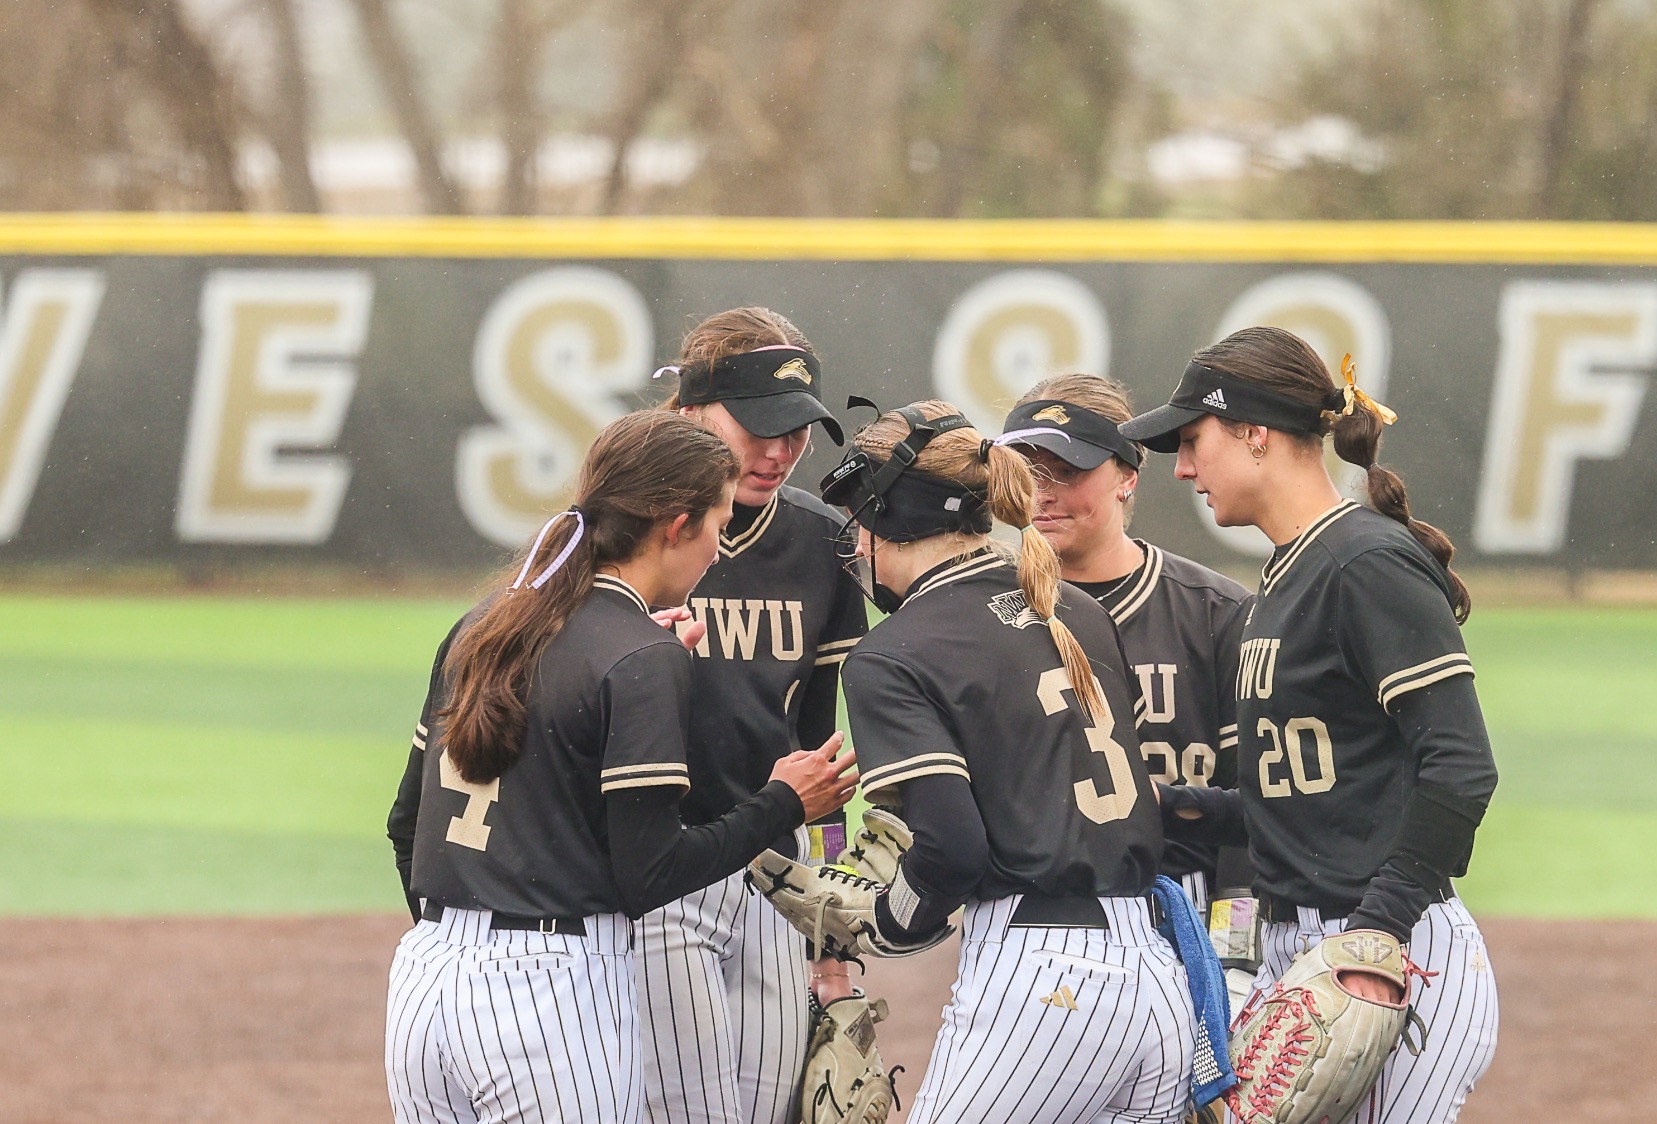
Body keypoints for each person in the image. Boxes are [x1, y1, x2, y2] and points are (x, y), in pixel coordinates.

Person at [384, 410, 857, 1123]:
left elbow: (405, 824)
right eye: (718, 525)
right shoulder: (638, 658)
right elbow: (651, 874)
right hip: (547, 997)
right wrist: (785, 803)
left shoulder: (488, 623)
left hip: (425, 982)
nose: (720, 550)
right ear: (675, 525)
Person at [1122, 328, 1500, 1123]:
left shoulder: (1364, 562)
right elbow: (1310, 795)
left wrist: (1375, 939)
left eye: (1193, 441)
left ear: (1255, 433)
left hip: (1390, 952)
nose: (1183, 467)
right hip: (1301, 947)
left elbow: (1461, 765)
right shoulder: (1284, 577)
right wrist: (1173, 803)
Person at [819, 399, 1198, 1123]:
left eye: (861, 516)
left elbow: (952, 849)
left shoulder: (895, 652)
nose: (855, 538)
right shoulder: (1074, 608)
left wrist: (888, 923)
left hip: (1046, 983)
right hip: (1156, 973)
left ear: (893, 518)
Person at [636, 308, 871, 1124]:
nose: (779, 451)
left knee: (772, 1109)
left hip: (773, 876)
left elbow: (823, 749)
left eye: (798, 431)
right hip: (658, 868)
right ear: (693, 407)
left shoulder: (825, 545)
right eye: (759, 426)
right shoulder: (627, 532)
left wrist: (830, 932)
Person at [994, 375, 1253, 919]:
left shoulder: (1215, 613)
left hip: (1185, 905)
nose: (1044, 492)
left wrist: (1235, 949)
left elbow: (1252, 805)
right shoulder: (980, 614)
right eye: (1027, 471)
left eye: (1068, 471)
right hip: (1028, 916)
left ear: (1127, 477)